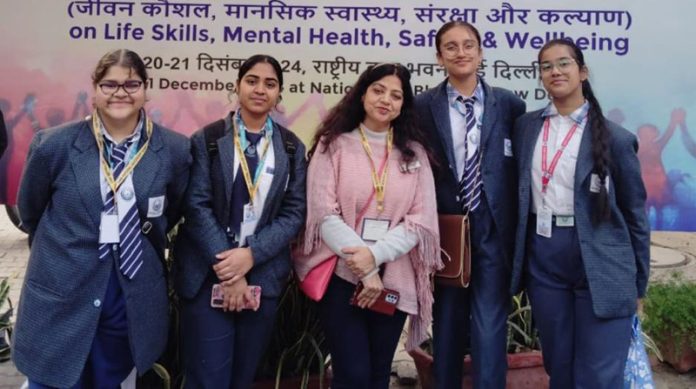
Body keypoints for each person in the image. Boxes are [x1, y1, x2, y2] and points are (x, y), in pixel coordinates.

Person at [13, 49, 191, 388]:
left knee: (113, 380)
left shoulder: (173, 150)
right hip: (63, 289)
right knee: (54, 380)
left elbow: (172, 210)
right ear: (94, 89)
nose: (120, 92)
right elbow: (31, 211)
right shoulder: (54, 145)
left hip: (128, 294)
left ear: (145, 90)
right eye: (109, 84)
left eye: (131, 84)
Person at [510, 39, 650, 388]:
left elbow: (635, 215)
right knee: (560, 366)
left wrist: (639, 284)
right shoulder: (526, 128)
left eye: (564, 64)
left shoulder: (617, 139)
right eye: (546, 66)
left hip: (601, 260)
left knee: (598, 373)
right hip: (545, 257)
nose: (555, 71)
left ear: (582, 71)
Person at [295, 63, 440, 389]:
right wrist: (365, 268)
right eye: (378, 90)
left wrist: (374, 257)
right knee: (352, 375)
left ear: (404, 105)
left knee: (377, 375)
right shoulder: (332, 145)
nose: (385, 100)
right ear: (362, 94)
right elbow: (323, 213)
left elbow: (421, 219)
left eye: (396, 95)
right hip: (341, 278)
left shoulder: (413, 154)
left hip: (393, 279)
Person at [173, 54, 307, 389]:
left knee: (243, 378)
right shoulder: (207, 140)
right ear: (237, 86)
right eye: (252, 81)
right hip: (207, 275)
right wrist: (229, 268)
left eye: (270, 84)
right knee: (209, 378)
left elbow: (294, 213)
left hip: (262, 274)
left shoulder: (291, 147)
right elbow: (196, 205)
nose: (260, 89)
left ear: (279, 94)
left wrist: (251, 255)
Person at [414, 21, 526, 388]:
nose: (460, 53)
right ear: (439, 56)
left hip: (493, 226)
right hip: (447, 227)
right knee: (446, 321)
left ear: (480, 53)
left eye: (468, 46)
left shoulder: (509, 103)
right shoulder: (421, 106)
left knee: (491, 321)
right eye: (451, 47)